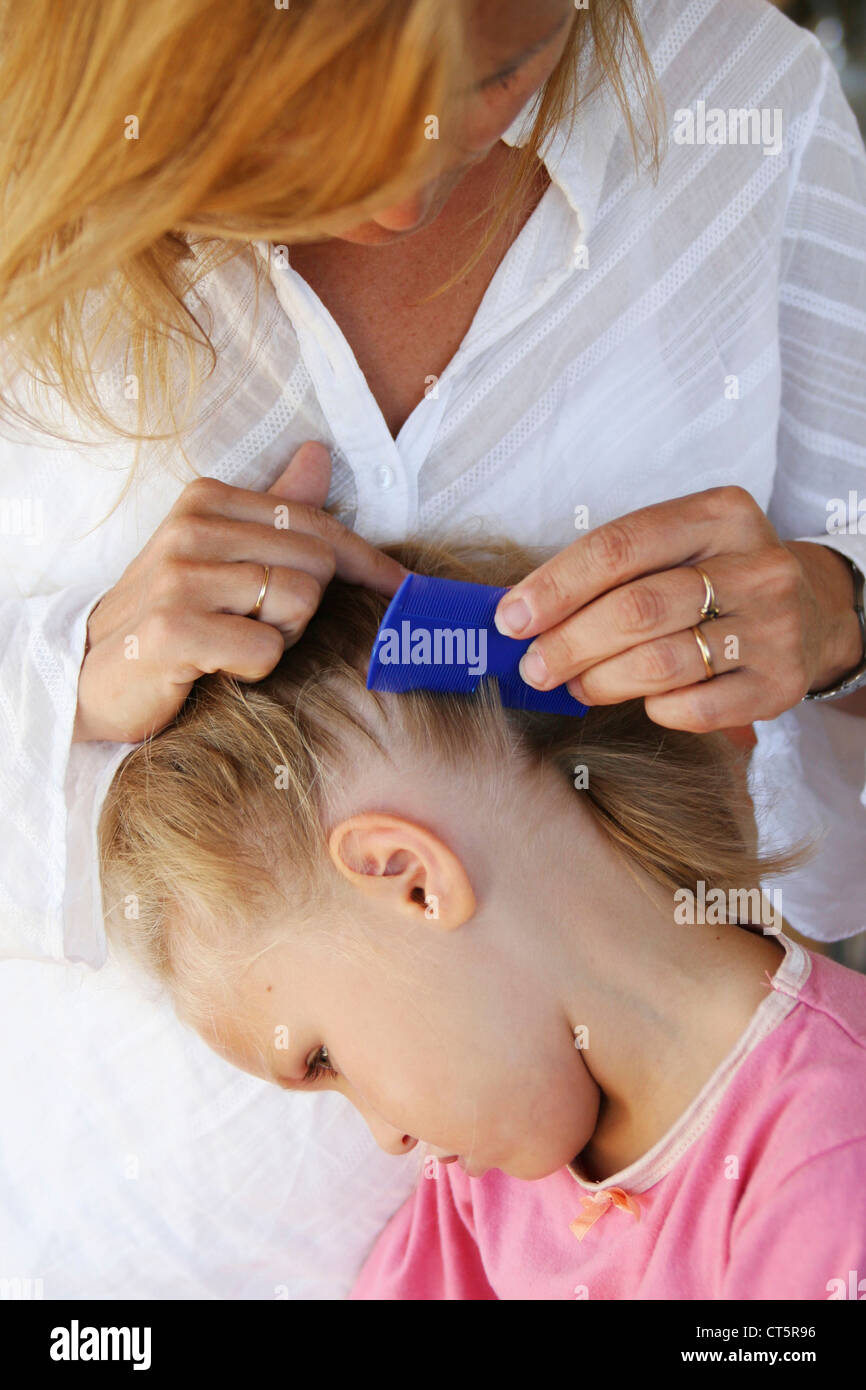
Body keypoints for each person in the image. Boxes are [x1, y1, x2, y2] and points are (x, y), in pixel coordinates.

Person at [1, 0, 864, 1297]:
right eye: (304, 118)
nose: (401, 201)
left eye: (502, 75)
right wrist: (58, 676)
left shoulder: (745, 95)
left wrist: (843, 614)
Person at [96, 536, 866, 1300]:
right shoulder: (485, 1190)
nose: (387, 1137)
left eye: (323, 1059)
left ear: (413, 883)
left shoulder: (831, 1150)